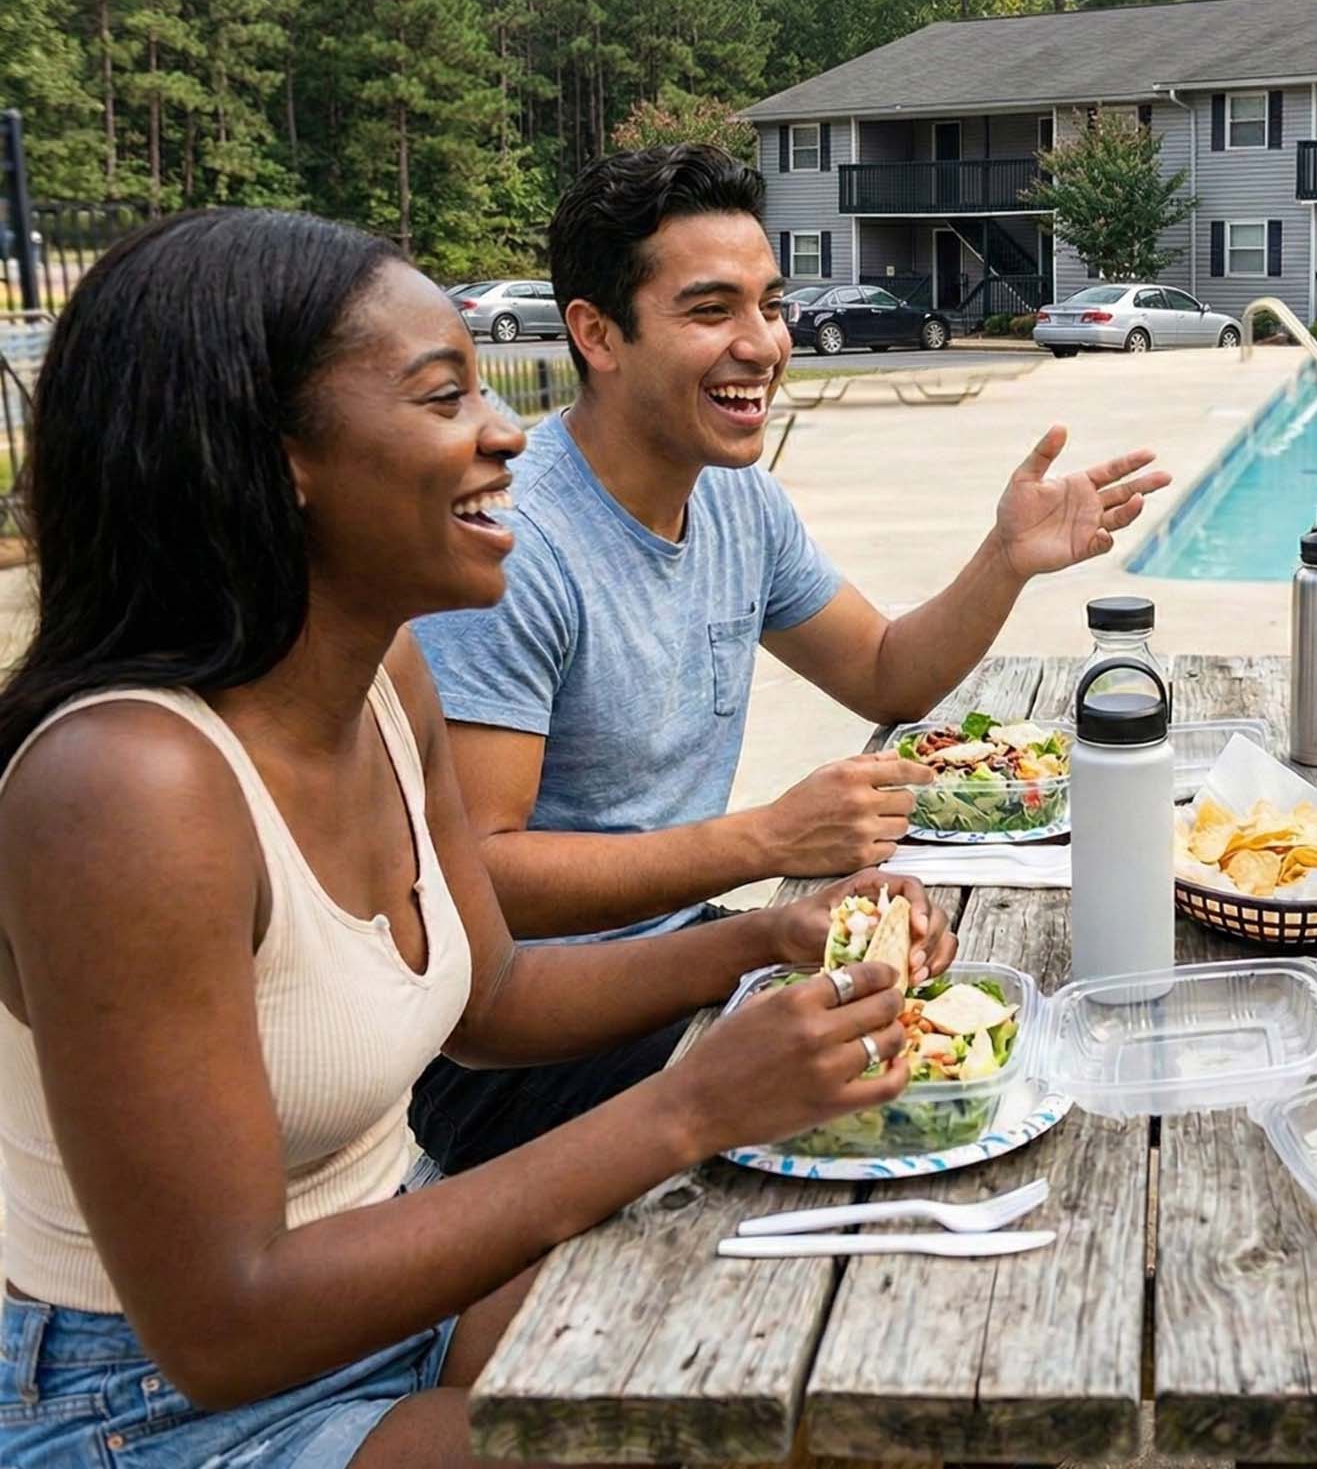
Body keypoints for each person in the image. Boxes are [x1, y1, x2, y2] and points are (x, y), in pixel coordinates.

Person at [0, 207, 956, 1466]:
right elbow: (220, 1321)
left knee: (848, 1373)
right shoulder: (125, 789)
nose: (506, 430)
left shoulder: (385, 678)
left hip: (397, 1268)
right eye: (446, 397)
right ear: (277, 452)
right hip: (153, 1401)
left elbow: (491, 995)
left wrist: (769, 939)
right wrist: (687, 1106)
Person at [407, 145, 1167, 1175]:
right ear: (597, 334)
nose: (763, 343)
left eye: (769, 304)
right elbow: (478, 879)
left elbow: (888, 674)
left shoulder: (736, 502)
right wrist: (767, 840)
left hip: (688, 959)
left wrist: (1007, 557)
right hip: (522, 1051)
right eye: (711, 310)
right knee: (930, 1117)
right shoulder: (517, 545)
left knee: (1013, 1057)